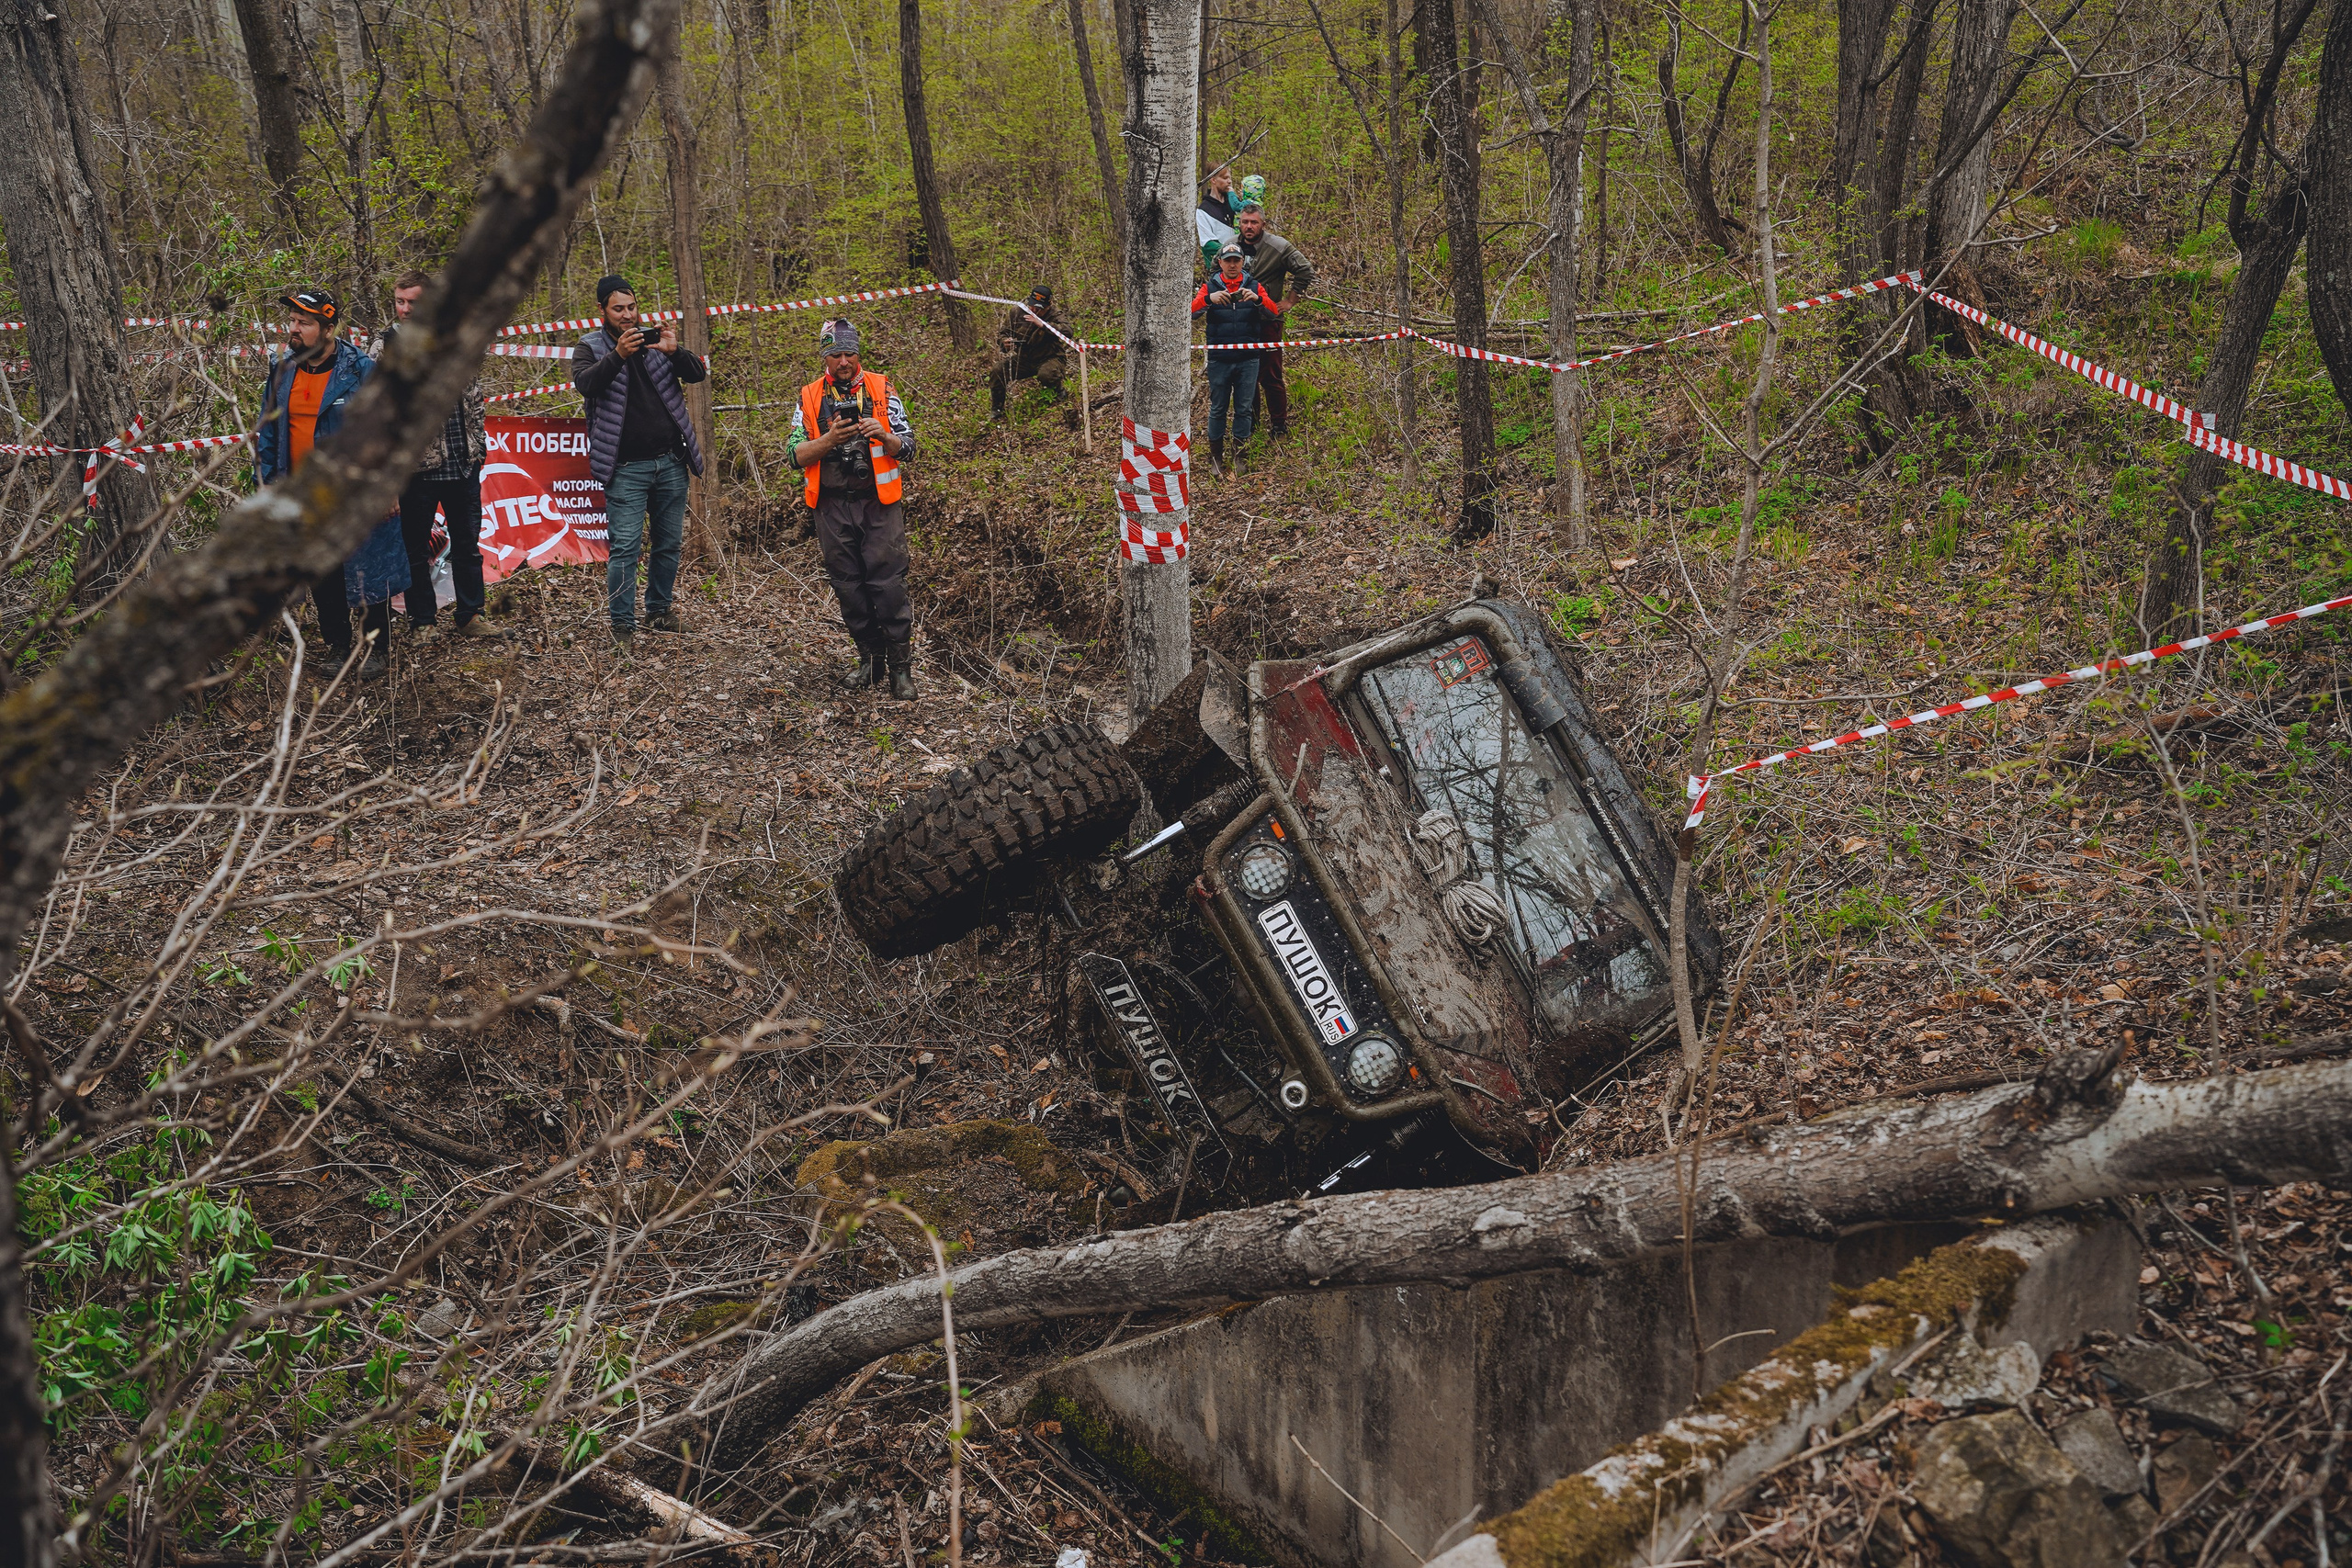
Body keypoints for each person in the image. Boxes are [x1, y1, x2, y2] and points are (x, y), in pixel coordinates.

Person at [254, 288, 406, 677]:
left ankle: (376, 648)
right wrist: (266, 481)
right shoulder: (283, 368)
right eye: (292, 321)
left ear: (328, 328)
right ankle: (338, 646)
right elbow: (268, 428)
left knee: (369, 570)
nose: (294, 329)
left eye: (304, 323)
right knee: (322, 574)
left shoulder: (359, 370)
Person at [571, 274, 707, 649]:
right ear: (602, 310)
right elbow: (585, 384)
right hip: (625, 468)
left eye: (631, 307)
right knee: (625, 548)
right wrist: (618, 355)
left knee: (668, 543)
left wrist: (674, 351)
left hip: (670, 462)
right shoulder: (590, 346)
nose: (627, 315)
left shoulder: (654, 342)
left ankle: (659, 611)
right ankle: (622, 625)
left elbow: (697, 374)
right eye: (618, 309)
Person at [791, 318, 920, 698]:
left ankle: (900, 670)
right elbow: (794, 454)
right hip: (831, 507)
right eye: (835, 355)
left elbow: (909, 446)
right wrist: (830, 439)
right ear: (824, 357)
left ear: (858, 353)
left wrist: (883, 435)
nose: (844, 361)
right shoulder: (809, 396)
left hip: (879, 505)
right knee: (848, 587)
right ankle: (870, 661)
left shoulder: (882, 387)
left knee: (889, 586)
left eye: (849, 353)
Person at [373, 269, 501, 644]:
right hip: (416, 471)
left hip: (462, 462)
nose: (406, 309)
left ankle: (471, 615)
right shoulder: (384, 348)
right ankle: (423, 622)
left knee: (467, 546)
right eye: (400, 302)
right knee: (415, 551)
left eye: (414, 302)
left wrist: (478, 447)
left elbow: (473, 397)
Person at [1191, 243, 1283, 477]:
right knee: (1218, 408)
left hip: (1248, 358)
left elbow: (1273, 312)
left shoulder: (1254, 285)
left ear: (1243, 262)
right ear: (1220, 263)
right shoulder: (1209, 286)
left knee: (1243, 408)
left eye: (1236, 260)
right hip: (1219, 359)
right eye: (1228, 261)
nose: (1232, 265)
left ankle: (1239, 455)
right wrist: (1209, 299)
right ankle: (1216, 458)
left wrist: (1258, 300)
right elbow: (1190, 313)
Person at [1235, 195, 1316, 441]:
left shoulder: (1278, 247)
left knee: (1270, 374)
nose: (1249, 227)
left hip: (1268, 319)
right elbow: (1215, 272)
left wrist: (1290, 300)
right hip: (1238, 322)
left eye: (1254, 222)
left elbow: (1305, 270)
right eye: (1245, 222)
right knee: (1245, 375)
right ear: (1239, 223)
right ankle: (1251, 423)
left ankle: (1279, 425)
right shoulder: (1230, 247)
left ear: (1263, 224)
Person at [989, 286, 1069, 420]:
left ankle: (1059, 392)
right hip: (1024, 359)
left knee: (1046, 374)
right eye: (1032, 306)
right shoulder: (1017, 312)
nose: (1034, 310)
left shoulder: (1055, 313)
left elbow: (1068, 331)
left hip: (1050, 357)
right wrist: (1005, 342)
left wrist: (1043, 325)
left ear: (1048, 305)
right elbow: (1003, 333)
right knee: (997, 370)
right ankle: (997, 409)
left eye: (1039, 309)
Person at [1195, 167, 1238, 271]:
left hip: (1239, 265)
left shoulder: (1233, 203)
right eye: (1225, 178)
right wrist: (1233, 252)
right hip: (1219, 268)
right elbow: (1207, 243)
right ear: (1213, 180)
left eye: (1230, 178)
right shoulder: (1203, 210)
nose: (1229, 181)